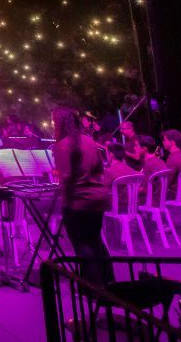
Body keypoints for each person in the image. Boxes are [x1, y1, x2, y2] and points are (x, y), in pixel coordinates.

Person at [52, 105, 112, 285]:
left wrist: (56, 174)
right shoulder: (89, 140)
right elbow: (100, 168)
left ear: (59, 123)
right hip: (97, 196)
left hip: (78, 200)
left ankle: (92, 286)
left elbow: (68, 176)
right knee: (95, 240)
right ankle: (108, 281)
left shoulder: (62, 145)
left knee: (81, 244)